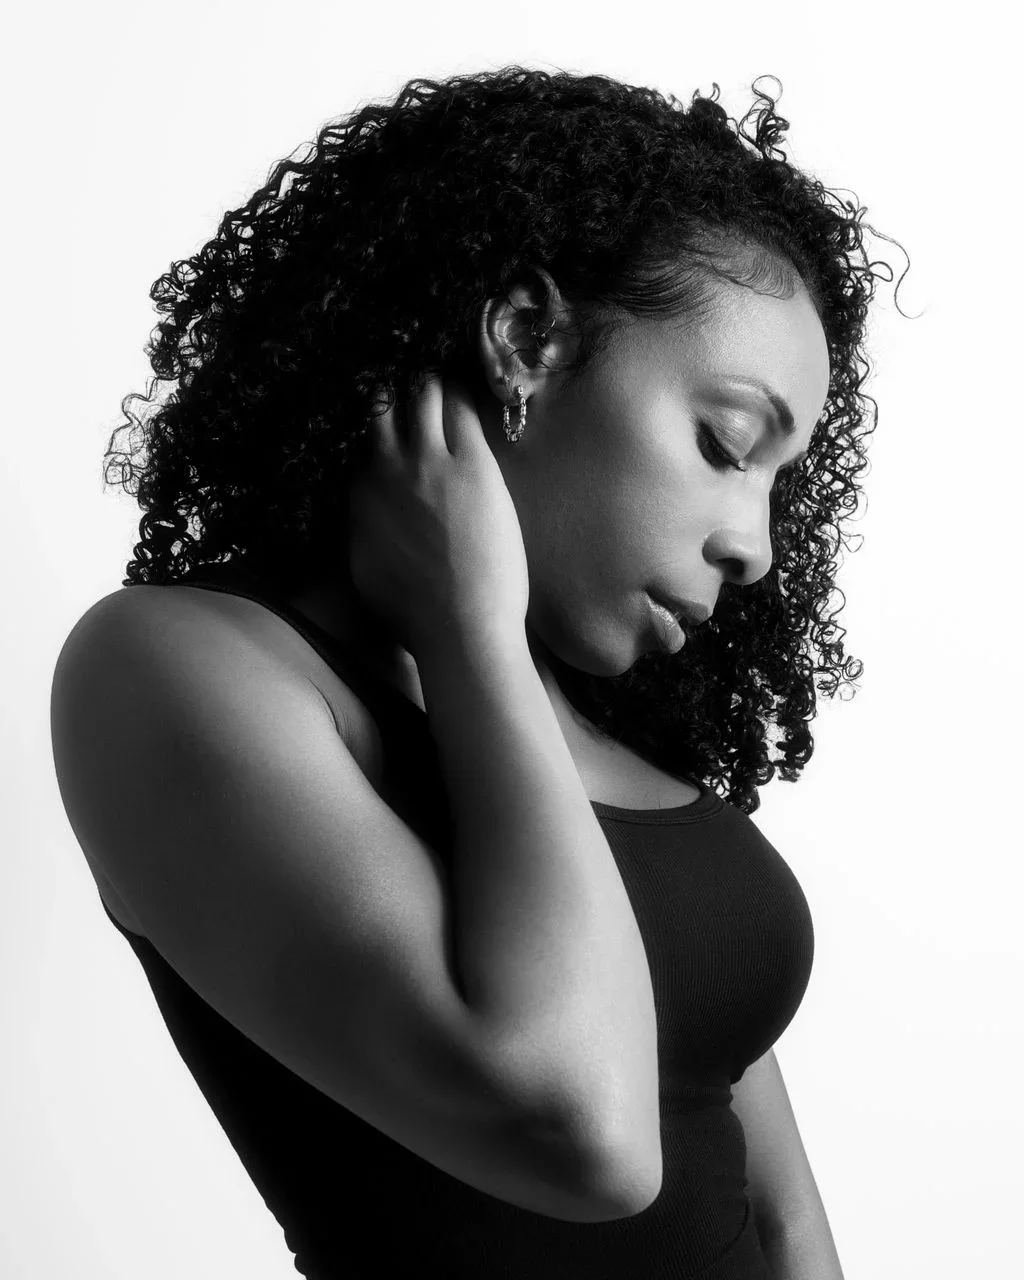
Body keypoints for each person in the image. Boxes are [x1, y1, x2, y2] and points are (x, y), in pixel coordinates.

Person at [50, 66, 903, 1278]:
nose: (756, 544)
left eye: (780, 483)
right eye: (724, 442)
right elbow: (586, 1134)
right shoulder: (177, 668)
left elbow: (779, 1215)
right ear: (524, 340)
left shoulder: (601, 709)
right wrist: (471, 635)